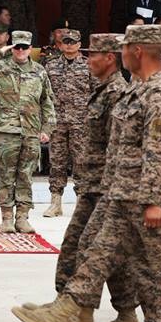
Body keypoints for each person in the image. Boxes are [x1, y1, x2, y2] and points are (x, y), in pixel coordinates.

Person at [12, 24, 161, 322]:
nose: (120, 54)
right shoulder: (138, 90)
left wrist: (154, 201)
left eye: (124, 48)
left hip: (148, 197)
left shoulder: (160, 93)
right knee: (97, 253)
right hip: (120, 194)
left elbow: (158, 151)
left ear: (137, 51)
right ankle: (70, 312)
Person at [0, 29, 55, 234]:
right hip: (5, 130)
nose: (21, 51)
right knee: (6, 176)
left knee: (26, 175)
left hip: (31, 130)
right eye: (17, 47)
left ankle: (23, 217)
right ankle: (7, 217)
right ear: (12, 47)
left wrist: (47, 128)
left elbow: (47, 101)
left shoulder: (39, 71)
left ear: (30, 48)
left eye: (25, 47)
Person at [42, 28, 90, 218]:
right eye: (66, 42)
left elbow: (97, 94)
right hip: (58, 121)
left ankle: (82, 203)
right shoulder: (51, 66)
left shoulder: (88, 66)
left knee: (81, 162)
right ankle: (55, 202)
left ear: (79, 45)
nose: (69, 46)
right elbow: (44, 94)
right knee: (56, 162)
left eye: (73, 42)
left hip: (81, 122)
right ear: (60, 45)